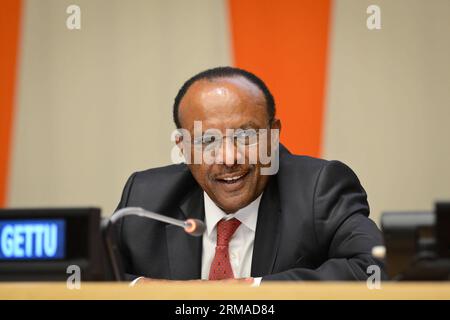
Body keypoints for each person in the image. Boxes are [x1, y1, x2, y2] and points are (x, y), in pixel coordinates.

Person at [114, 66, 386, 285]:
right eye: (207, 141)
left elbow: (374, 269)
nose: (229, 158)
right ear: (183, 147)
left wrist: (249, 290)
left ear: (273, 134)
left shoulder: (319, 188)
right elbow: (81, 274)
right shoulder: (145, 197)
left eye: (245, 136)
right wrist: (147, 288)